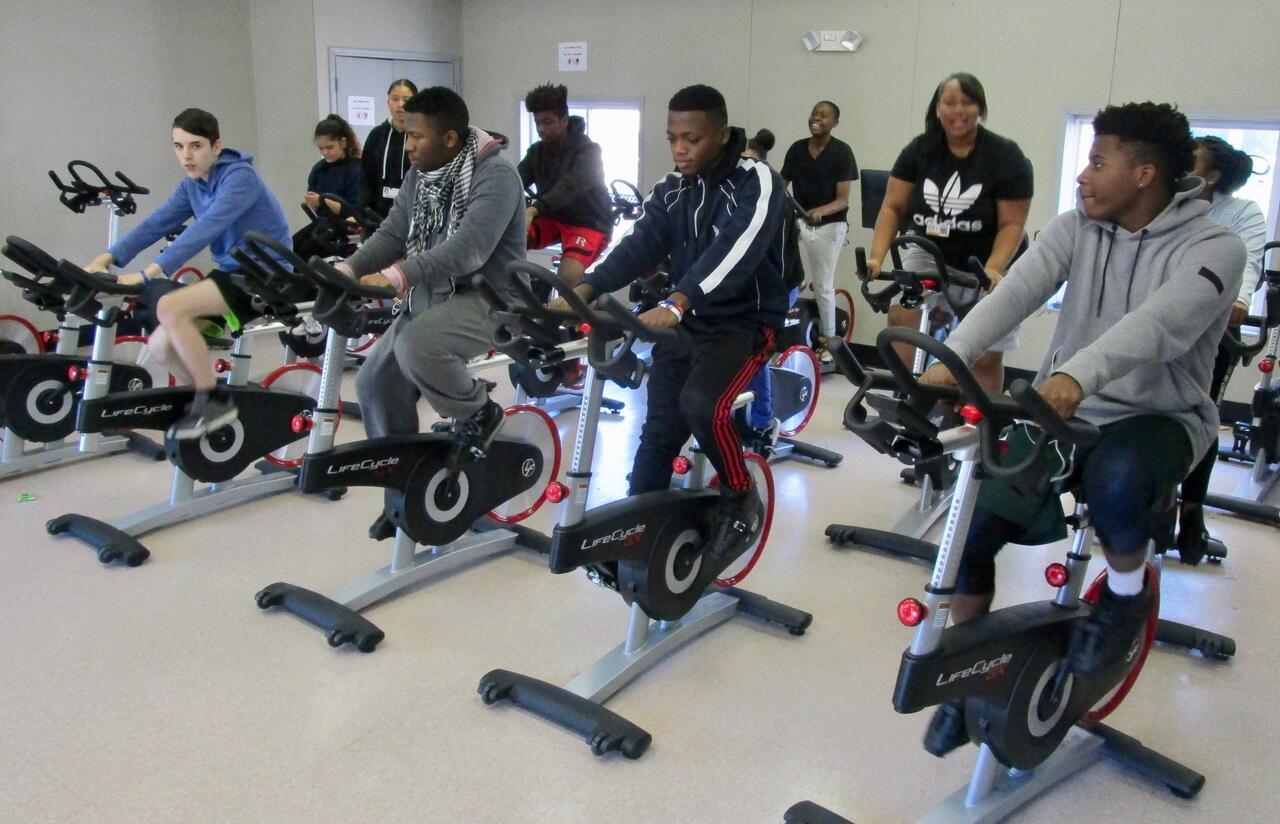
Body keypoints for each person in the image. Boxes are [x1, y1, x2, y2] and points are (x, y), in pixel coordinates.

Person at [916, 102, 1245, 756]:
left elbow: (1160, 324)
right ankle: (967, 676)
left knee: (1118, 481)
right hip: (1062, 406)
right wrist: (944, 366)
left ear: (1145, 172)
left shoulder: (1216, 247)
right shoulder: (1077, 229)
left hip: (1161, 415)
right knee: (973, 525)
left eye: (1099, 162)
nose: (1083, 176)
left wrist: (1079, 376)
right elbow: (1013, 295)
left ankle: (1125, 596)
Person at [555, 85, 788, 560]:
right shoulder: (672, 187)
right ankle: (636, 527)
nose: (680, 149)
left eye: (692, 139)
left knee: (702, 404)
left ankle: (740, 497)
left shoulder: (757, 181)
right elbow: (640, 243)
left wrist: (680, 300)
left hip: (745, 323)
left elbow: (736, 250)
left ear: (721, 135)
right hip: (689, 321)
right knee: (660, 428)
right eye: (672, 139)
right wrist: (586, 288)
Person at [333, 87, 525, 537]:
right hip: (435, 294)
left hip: (490, 298)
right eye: (406, 136)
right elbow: (393, 232)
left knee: (418, 346)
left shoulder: (496, 176)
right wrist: (348, 267)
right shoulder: (423, 174)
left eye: (417, 137)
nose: (409, 146)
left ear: (451, 139)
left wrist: (397, 276)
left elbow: (469, 250)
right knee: (374, 381)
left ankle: (479, 412)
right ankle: (404, 495)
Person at [84, 108, 292, 440]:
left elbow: (206, 229)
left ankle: (212, 400)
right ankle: (205, 398)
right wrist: (107, 258)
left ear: (216, 145)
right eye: (178, 146)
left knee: (169, 307)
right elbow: (158, 223)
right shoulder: (191, 185)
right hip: (231, 274)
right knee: (160, 345)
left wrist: (149, 273)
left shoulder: (240, 178)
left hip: (267, 276)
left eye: (195, 146)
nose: (186, 155)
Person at [864, 73, 1032, 392]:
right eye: (950, 102)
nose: (958, 110)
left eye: (967, 102)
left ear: (980, 108)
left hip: (989, 256)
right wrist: (876, 258)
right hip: (932, 249)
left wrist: (995, 269)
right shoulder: (919, 151)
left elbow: (1012, 223)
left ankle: (981, 429)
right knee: (902, 315)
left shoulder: (1005, 156)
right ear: (938, 108)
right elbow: (893, 208)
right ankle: (908, 398)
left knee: (984, 356)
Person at [1166, 135, 1268, 563]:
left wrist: (1241, 301)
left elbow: (1249, 258)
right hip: (1163, 326)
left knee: (1203, 416)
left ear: (1212, 174)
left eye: (1191, 161)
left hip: (1213, 332)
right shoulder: (1168, 202)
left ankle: (1191, 513)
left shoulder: (1242, 213)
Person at [741, 128, 803, 451]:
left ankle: (764, 424)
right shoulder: (734, 189)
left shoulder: (772, 190)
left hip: (777, 287)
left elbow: (776, 263)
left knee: (755, 352)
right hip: (747, 286)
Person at [780, 100, 857, 364]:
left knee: (823, 285)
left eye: (824, 116)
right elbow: (782, 184)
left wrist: (821, 211)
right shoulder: (797, 149)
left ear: (834, 122)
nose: (816, 118)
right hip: (799, 221)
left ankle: (828, 341)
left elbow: (843, 200)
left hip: (829, 225)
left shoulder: (842, 152)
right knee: (782, 269)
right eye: (814, 113)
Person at [519, 83, 613, 295]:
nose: (541, 128)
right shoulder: (536, 152)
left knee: (568, 279)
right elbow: (515, 181)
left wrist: (533, 210)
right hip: (554, 219)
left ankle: (585, 317)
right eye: (537, 123)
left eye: (548, 122)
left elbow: (571, 187)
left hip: (589, 222)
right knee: (508, 239)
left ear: (564, 120)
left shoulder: (588, 151)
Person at [292, 114, 364, 259]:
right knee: (291, 246)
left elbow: (354, 211)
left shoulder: (357, 169)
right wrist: (314, 202)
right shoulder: (319, 169)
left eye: (330, 147)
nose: (325, 152)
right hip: (324, 223)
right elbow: (316, 205)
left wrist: (322, 201)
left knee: (306, 251)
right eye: (321, 148)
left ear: (343, 143)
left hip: (346, 227)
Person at [361, 78, 418, 217]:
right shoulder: (377, 135)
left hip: (412, 211)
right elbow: (366, 177)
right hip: (378, 213)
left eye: (406, 99)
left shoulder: (421, 135)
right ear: (388, 103)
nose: (400, 104)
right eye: (395, 99)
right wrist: (362, 211)